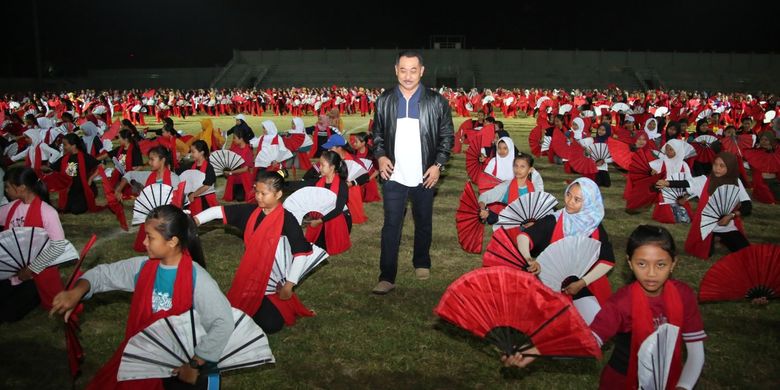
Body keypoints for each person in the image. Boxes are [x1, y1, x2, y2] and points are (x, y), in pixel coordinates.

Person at [50, 205, 234, 389]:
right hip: (149, 355)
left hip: (187, 362)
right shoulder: (144, 268)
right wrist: (77, 292)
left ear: (172, 242)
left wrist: (194, 364)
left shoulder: (197, 278)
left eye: (150, 237)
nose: (144, 242)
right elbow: (103, 275)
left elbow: (223, 322)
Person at [503, 225, 706, 390]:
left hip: (672, 380)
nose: (651, 273)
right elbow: (587, 341)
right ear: (630, 263)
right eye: (642, 264)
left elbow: (696, 352)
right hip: (621, 382)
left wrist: (684, 386)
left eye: (660, 264)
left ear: (673, 264)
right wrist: (536, 351)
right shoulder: (621, 303)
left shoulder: (684, 295)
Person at [372, 50, 454, 294]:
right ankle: (387, 276)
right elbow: (376, 134)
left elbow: (447, 137)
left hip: (424, 175)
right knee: (391, 225)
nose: (408, 76)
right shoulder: (384, 100)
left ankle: (422, 261)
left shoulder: (436, 101)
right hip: (393, 175)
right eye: (403, 70)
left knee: (424, 222)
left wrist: (437, 165)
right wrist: (381, 155)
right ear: (396, 70)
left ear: (422, 71)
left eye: (413, 70)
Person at [194, 171, 314, 334]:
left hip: (273, 284)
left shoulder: (288, 219)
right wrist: (196, 220)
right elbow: (219, 211)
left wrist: (289, 285)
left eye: (264, 193)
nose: (258, 197)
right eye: (256, 191)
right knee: (241, 316)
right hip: (250, 279)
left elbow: (300, 254)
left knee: (272, 325)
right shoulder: (250, 212)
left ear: (278, 194)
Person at [517, 178, 615, 311]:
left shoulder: (595, 226)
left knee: (592, 324)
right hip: (553, 285)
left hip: (588, 283)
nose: (569, 202)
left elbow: (607, 259)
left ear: (589, 203)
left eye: (577, 199)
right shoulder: (555, 219)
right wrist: (529, 259)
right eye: (568, 194)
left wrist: (582, 283)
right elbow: (524, 237)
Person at [0, 167, 70, 323]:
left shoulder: (48, 212)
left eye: (7, 187)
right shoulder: (13, 207)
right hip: (13, 272)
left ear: (21, 188)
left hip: (36, 276)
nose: (5, 191)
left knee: (7, 314)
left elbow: (58, 246)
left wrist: (31, 269)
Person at [684, 152, 751, 259]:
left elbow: (747, 206)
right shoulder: (705, 180)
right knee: (704, 253)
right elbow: (686, 183)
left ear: (730, 167)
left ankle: (719, 238)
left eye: (722, 166)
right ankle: (715, 239)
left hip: (726, 225)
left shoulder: (736, 182)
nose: (717, 168)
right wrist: (666, 183)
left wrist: (731, 216)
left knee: (746, 252)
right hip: (706, 227)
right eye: (715, 164)